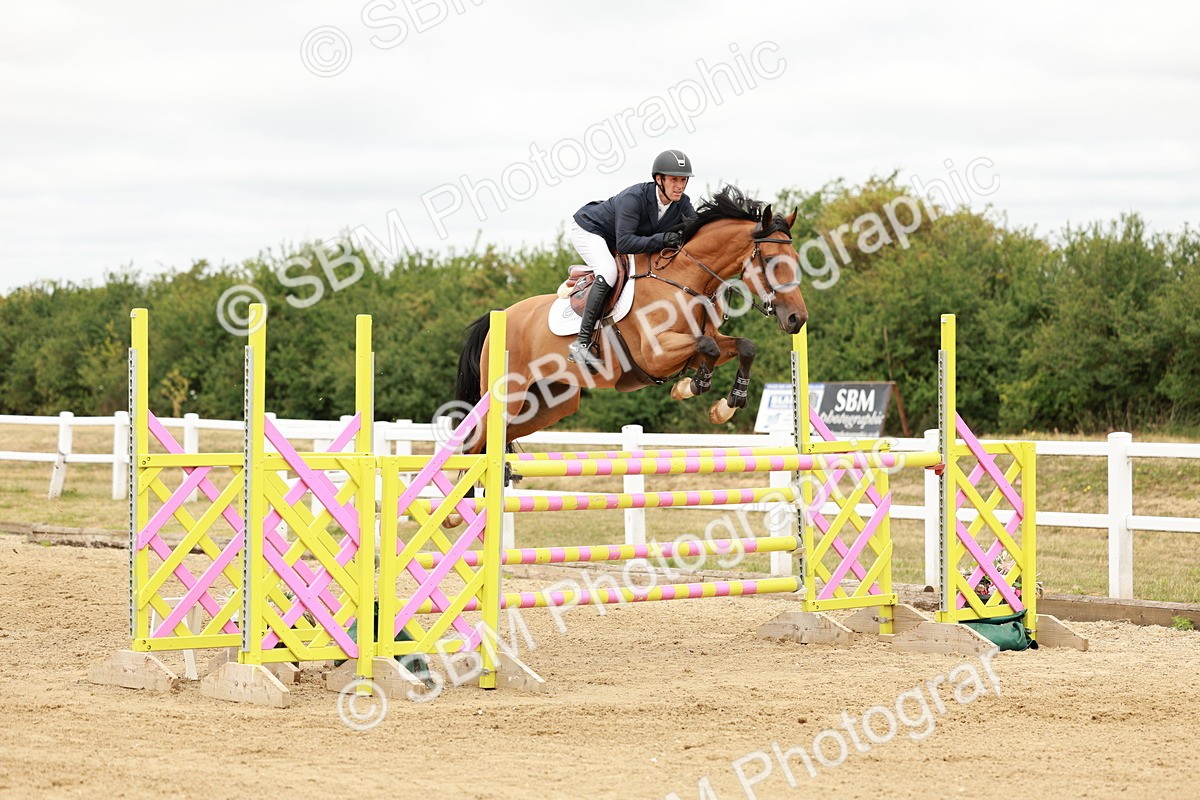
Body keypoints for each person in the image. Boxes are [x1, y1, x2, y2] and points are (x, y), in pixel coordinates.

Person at [567, 149, 698, 370]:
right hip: (590, 230)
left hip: (619, 237)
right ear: (659, 179)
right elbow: (626, 243)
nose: (680, 186)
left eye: (683, 180)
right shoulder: (634, 198)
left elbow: (696, 232)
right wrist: (664, 239)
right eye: (674, 180)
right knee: (608, 271)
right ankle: (581, 342)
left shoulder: (682, 204)